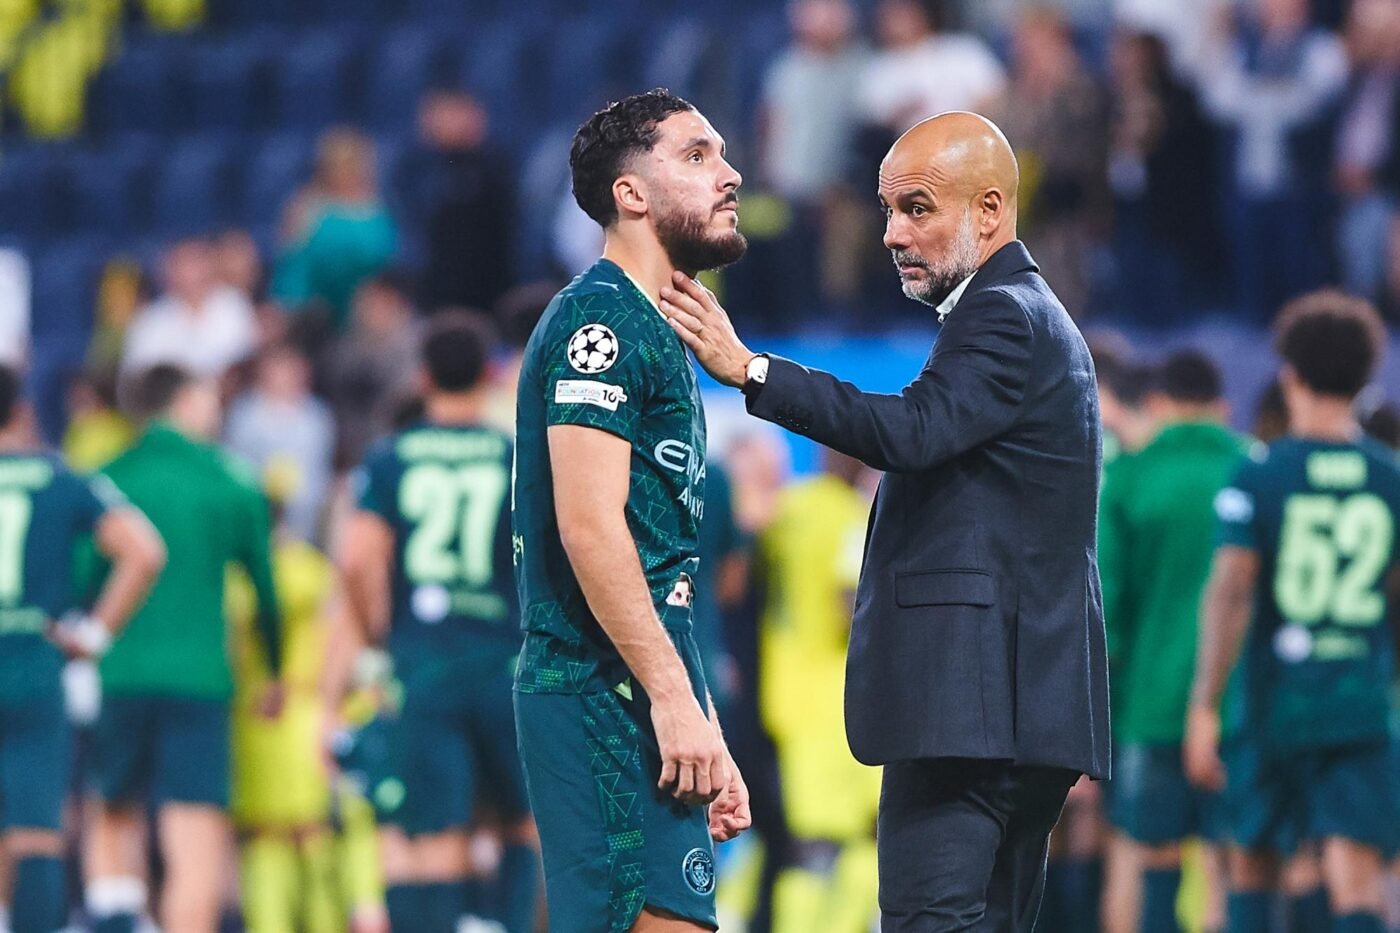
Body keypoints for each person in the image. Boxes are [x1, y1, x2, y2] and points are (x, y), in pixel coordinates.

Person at [663, 110, 1109, 930]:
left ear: (989, 210)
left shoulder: (1004, 313)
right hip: (1015, 709)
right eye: (888, 209)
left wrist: (750, 370)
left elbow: (911, 429)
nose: (893, 233)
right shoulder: (1034, 315)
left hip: (970, 711)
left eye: (917, 208)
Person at [512, 89, 752, 933]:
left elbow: (663, 573)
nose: (729, 174)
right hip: (594, 688)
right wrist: (673, 699)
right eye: (697, 155)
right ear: (631, 193)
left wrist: (702, 721)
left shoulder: (663, 326)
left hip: (641, 690)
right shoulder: (601, 319)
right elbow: (589, 525)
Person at [1186, 289, 1400, 933]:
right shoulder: (1389, 478)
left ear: (1291, 376)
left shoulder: (1260, 474)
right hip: (1359, 705)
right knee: (1355, 882)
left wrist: (1204, 706)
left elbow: (1231, 590)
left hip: (1272, 704)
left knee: (1252, 867)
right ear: (1365, 379)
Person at [338, 312, 536, 933]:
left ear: (422, 378)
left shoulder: (391, 456)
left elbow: (356, 557)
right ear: (489, 375)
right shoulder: (514, 455)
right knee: (523, 819)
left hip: (423, 664)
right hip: (506, 662)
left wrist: (378, 632)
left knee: (435, 829)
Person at [86, 364, 283, 933]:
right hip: (199, 679)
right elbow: (265, 591)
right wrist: (273, 670)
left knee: (113, 814)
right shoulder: (229, 481)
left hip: (117, 674)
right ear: (185, 400)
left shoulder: (106, 480)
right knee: (194, 832)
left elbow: (81, 582)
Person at [0, 366, 163, 933]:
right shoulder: (60, 477)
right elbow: (144, 551)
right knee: (37, 832)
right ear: (22, 412)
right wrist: (91, 636)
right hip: (34, 662)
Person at [1098, 349, 1248, 933]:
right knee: (1230, 864)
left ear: (1158, 403)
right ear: (1221, 408)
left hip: (1149, 703)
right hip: (1238, 708)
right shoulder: (1251, 470)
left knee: (1150, 856)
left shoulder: (1130, 479)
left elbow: (1106, 607)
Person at [757, 448, 879, 933]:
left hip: (780, 689)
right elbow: (849, 605)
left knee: (799, 845)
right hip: (832, 701)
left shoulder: (788, 508)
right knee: (846, 843)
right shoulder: (851, 516)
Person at [121, 237, 258, 379]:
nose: (194, 273)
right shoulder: (149, 321)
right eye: (185, 264)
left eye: (199, 261)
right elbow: (136, 377)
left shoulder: (234, 304)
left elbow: (246, 362)